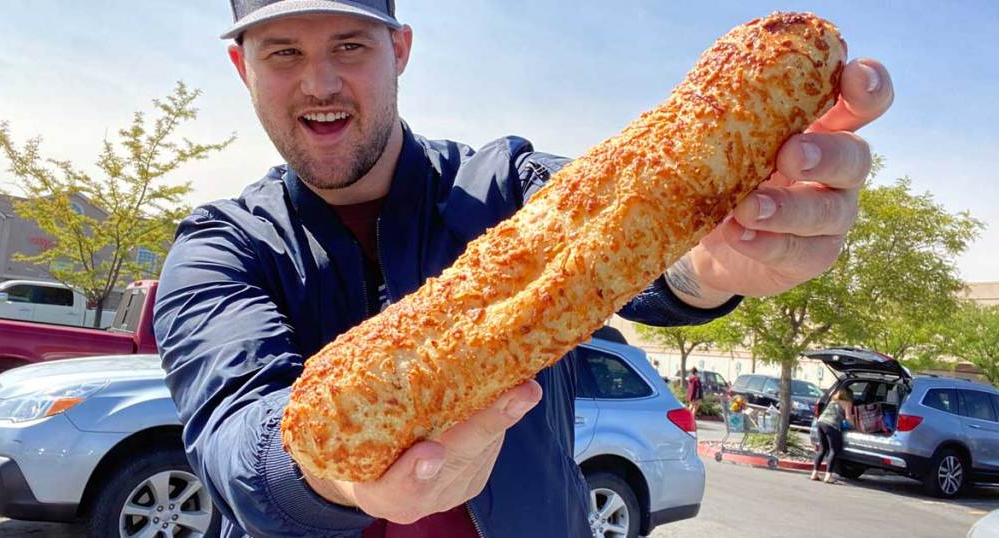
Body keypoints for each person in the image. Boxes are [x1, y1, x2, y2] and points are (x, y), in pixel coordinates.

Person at [152, 1, 895, 536]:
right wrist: (324, 476)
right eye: (283, 51)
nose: (319, 82)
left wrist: (709, 264)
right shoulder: (220, 246)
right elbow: (229, 431)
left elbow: (629, 240)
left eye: (349, 45)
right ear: (240, 65)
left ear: (399, 49)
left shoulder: (506, 185)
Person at [811, 387, 857, 484]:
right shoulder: (847, 403)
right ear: (848, 395)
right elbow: (848, 417)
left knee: (822, 449)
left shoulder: (833, 401)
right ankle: (828, 476)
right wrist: (855, 426)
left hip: (820, 423)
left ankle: (814, 473)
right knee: (834, 450)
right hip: (831, 425)